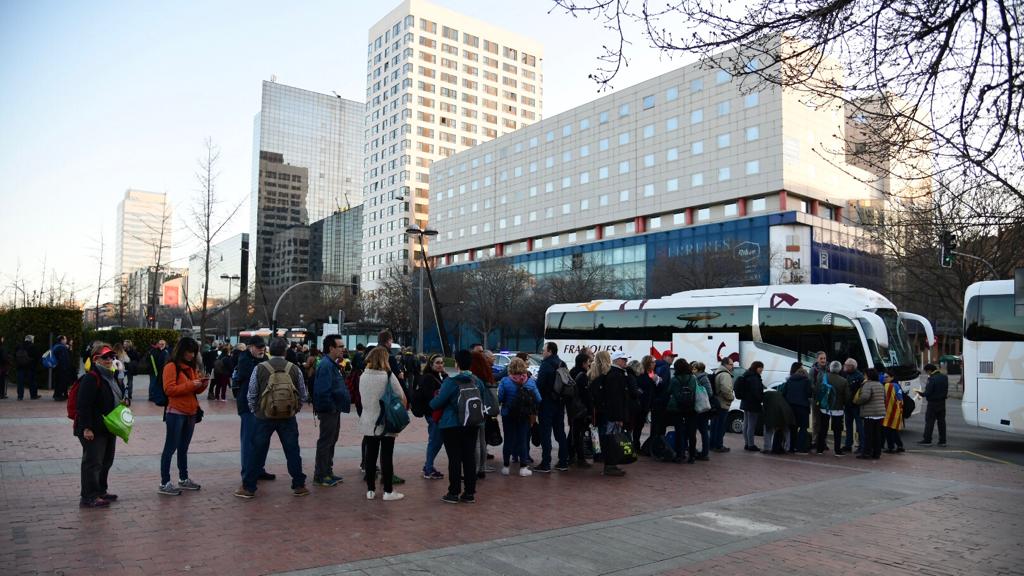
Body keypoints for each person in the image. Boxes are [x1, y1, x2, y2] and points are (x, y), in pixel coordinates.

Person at [235, 337, 309, 499]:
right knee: (292, 451)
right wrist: (295, 409)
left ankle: (249, 487)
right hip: (288, 416)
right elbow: (303, 394)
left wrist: (256, 410)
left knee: (257, 451)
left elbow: (252, 393)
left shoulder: (260, 368)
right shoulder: (294, 368)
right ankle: (299, 484)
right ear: (285, 351)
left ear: (270, 350)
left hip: (264, 416)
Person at [430, 349, 489, 503]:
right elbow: (482, 400)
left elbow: (437, 402)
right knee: (469, 457)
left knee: (454, 459)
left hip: (452, 425)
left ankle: (454, 492)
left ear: (456, 364)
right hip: (472, 423)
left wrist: (432, 401)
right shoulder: (477, 381)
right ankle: (469, 493)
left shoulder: (450, 381)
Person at [74, 343, 126, 508]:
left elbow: (115, 397)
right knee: (93, 462)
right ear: (96, 359)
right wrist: (86, 428)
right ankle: (89, 495)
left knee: (106, 461)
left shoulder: (112, 376)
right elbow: (83, 405)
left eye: (112, 357)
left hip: (109, 426)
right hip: (94, 428)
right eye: (106, 357)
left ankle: (101, 490)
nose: (110, 360)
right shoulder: (91, 378)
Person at [158, 337, 207, 495]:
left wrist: (202, 384)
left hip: (190, 412)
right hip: (176, 412)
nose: (192, 355)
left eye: (194, 352)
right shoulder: (171, 366)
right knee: (170, 448)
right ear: (182, 351)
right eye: (189, 352)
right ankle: (165, 482)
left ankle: (183, 478)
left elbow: (194, 391)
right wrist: (190, 385)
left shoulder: (191, 368)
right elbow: (169, 390)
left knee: (183, 448)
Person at [359, 346, 407, 501]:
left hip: (368, 421)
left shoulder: (363, 376)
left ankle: (370, 490)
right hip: (386, 420)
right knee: (386, 456)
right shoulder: (387, 375)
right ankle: (388, 491)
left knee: (370, 456)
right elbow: (400, 395)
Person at [233, 337, 275, 486]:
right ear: (250, 347)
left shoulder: (264, 359)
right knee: (249, 440)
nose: (261, 349)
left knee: (262, 439)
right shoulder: (244, 360)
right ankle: (247, 472)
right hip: (248, 405)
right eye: (258, 347)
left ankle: (258, 469)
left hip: (263, 405)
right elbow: (257, 376)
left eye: (263, 347)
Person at [312, 335, 351, 488]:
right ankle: (321, 475)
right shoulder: (326, 365)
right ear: (331, 348)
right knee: (326, 442)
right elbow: (323, 391)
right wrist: (331, 407)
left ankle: (327, 471)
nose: (343, 349)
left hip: (334, 409)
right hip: (329, 410)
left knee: (331, 441)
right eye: (340, 346)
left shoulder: (331, 364)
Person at [498, 357, 541, 476]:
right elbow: (539, 399)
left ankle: (506, 467)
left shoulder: (505, 381)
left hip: (508, 414)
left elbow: (500, 398)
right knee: (523, 440)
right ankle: (523, 468)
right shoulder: (530, 381)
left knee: (508, 440)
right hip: (524, 415)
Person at [534, 341, 569, 473]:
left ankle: (546, 463)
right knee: (560, 432)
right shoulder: (562, 363)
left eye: (544, 350)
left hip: (547, 403)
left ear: (549, 351)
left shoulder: (546, 364)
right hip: (559, 403)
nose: (542, 352)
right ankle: (563, 461)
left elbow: (539, 385)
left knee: (545, 433)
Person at [596, 351, 631, 476]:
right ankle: (610, 465)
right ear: (617, 360)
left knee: (612, 439)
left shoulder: (616, 374)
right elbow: (615, 398)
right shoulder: (616, 375)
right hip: (613, 415)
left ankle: (612, 464)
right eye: (623, 359)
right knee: (612, 439)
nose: (626, 362)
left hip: (612, 414)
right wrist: (618, 417)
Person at [413, 354, 446, 479]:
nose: (440, 365)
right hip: (433, 414)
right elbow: (430, 398)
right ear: (431, 364)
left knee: (436, 440)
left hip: (435, 414)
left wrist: (445, 374)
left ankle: (428, 465)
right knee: (435, 441)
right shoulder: (428, 378)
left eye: (442, 363)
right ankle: (428, 468)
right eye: (437, 363)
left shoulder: (436, 376)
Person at [469, 351, 496, 478]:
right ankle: (482, 467)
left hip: (475, 410)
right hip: (486, 409)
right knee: (482, 441)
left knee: (476, 442)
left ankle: (475, 469)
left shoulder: (474, 377)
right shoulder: (487, 373)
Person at [567, 352, 593, 468]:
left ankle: (569, 455)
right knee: (578, 434)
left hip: (572, 408)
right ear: (583, 363)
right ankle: (580, 459)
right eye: (588, 362)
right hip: (580, 409)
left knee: (573, 433)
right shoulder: (582, 375)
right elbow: (585, 395)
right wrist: (590, 409)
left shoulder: (572, 372)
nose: (589, 365)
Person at [780, 363, 813, 453]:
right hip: (803, 408)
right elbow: (809, 393)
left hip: (791, 408)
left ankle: (791, 447)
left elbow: (784, 393)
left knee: (793, 428)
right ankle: (800, 447)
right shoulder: (806, 381)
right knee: (803, 428)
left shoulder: (789, 380)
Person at [854, 369, 886, 459]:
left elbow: (865, 397)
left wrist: (857, 401)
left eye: (865, 375)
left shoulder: (868, 384)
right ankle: (877, 453)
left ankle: (867, 452)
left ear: (868, 376)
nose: (864, 376)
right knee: (877, 434)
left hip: (870, 413)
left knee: (868, 435)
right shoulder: (880, 384)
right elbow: (884, 397)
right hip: (880, 413)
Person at [918, 363, 948, 446]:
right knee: (941, 422)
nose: (927, 374)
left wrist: (921, 394)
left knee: (929, 422)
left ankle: (927, 439)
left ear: (929, 370)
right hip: (942, 403)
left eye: (927, 372)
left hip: (933, 403)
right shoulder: (944, 377)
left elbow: (928, 392)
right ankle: (942, 440)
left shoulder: (932, 379)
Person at [632, 355, 658, 451]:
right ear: (648, 363)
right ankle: (635, 445)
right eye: (652, 362)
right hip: (640, 404)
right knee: (637, 426)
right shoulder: (641, 375)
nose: (654, 364)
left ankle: (636, 444)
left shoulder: (651, 374)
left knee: (640, 425)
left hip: (647, 404)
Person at [708, 357, 735, 453]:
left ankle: (712, 444)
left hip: (716, 402)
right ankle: (718, 445)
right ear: (725, 365)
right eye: (731, 364)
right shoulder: (725, 375)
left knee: (714, 425)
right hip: (723, 403)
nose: (733, 366)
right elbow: (726, 389)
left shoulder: (717, 372)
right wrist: (731, 397)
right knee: (720, 426)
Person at [738, 361, 765, 451]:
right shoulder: (754, 378)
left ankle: (747, 443)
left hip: (745, 403)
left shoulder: (747, 375)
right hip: (753, 404)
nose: (762, 370)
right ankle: (751, 445)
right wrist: (761, 399)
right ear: (757, 368)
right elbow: (756, 392)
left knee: (746, 423)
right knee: (751, 425)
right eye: (761, 368)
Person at [842, 359, 866, 454]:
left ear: (851, 366)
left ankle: (861, 445)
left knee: (860, 426)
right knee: (848, 426)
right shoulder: (847, 374)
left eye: (846, 365)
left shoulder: (859, 377)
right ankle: (848, 444)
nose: (844, 366)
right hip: (848, 405)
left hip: (856, 405)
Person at [690, 361, 712, 461]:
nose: (692, 370)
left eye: (694, 368)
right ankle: (696, 451)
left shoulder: (703, 378)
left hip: (702, 409)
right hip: (697, 408)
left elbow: (709, 392)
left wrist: (700, 392)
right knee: (696, 430)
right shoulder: (698, 377)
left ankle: (705, 453)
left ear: (698, 370)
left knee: (703, 430)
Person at [761, 388, 794, 454]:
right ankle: (787, 447)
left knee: (767, 430)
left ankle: (767, 448)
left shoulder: (766, 398)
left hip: (775, 415)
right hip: (786, 414)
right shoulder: (779, 397)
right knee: (786, 430)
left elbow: (766, 412)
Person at [881, 371, 906, 453]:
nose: (884, 378)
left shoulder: (888, 386)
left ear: (892, 377)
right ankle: (899, 445)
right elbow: (900, 399)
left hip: (889, 411)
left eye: (886, 377)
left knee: (887, 430)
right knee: (893, 430)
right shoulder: (897, 385)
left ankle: (890, 447)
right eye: (884, 377)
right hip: (897, 411)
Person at [809, 351, 828, 447]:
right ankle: (814, 440)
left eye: (824, 358)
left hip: (827, 399)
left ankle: (823, 441)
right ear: (817, 359)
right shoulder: (813, 370)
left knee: (825, 420)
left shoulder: (828, 369)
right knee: (816, 420)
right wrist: (818, 392)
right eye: (821, 358)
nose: (823, 360)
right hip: (816, 398)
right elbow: (811, 383)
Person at [15, 335, 39, 400]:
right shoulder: (33, 346)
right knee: (32, 381)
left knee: (20, 382)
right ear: (31, 340)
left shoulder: (19, 346)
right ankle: (33, 395)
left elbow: (15, 356)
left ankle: (20, 396)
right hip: (30, 367)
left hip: (20, 367)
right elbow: (36, 357)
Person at [51, 335, 74, 401]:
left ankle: (57, 394)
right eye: (65, 339)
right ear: (62, 340)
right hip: (62, 368)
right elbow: (64, 359)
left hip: (57, 367)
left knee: (58, 381)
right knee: (62, 382)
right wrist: (66, 368)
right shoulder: (62, 348)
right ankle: (59, 396)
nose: (66, 340)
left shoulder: (56, 346)